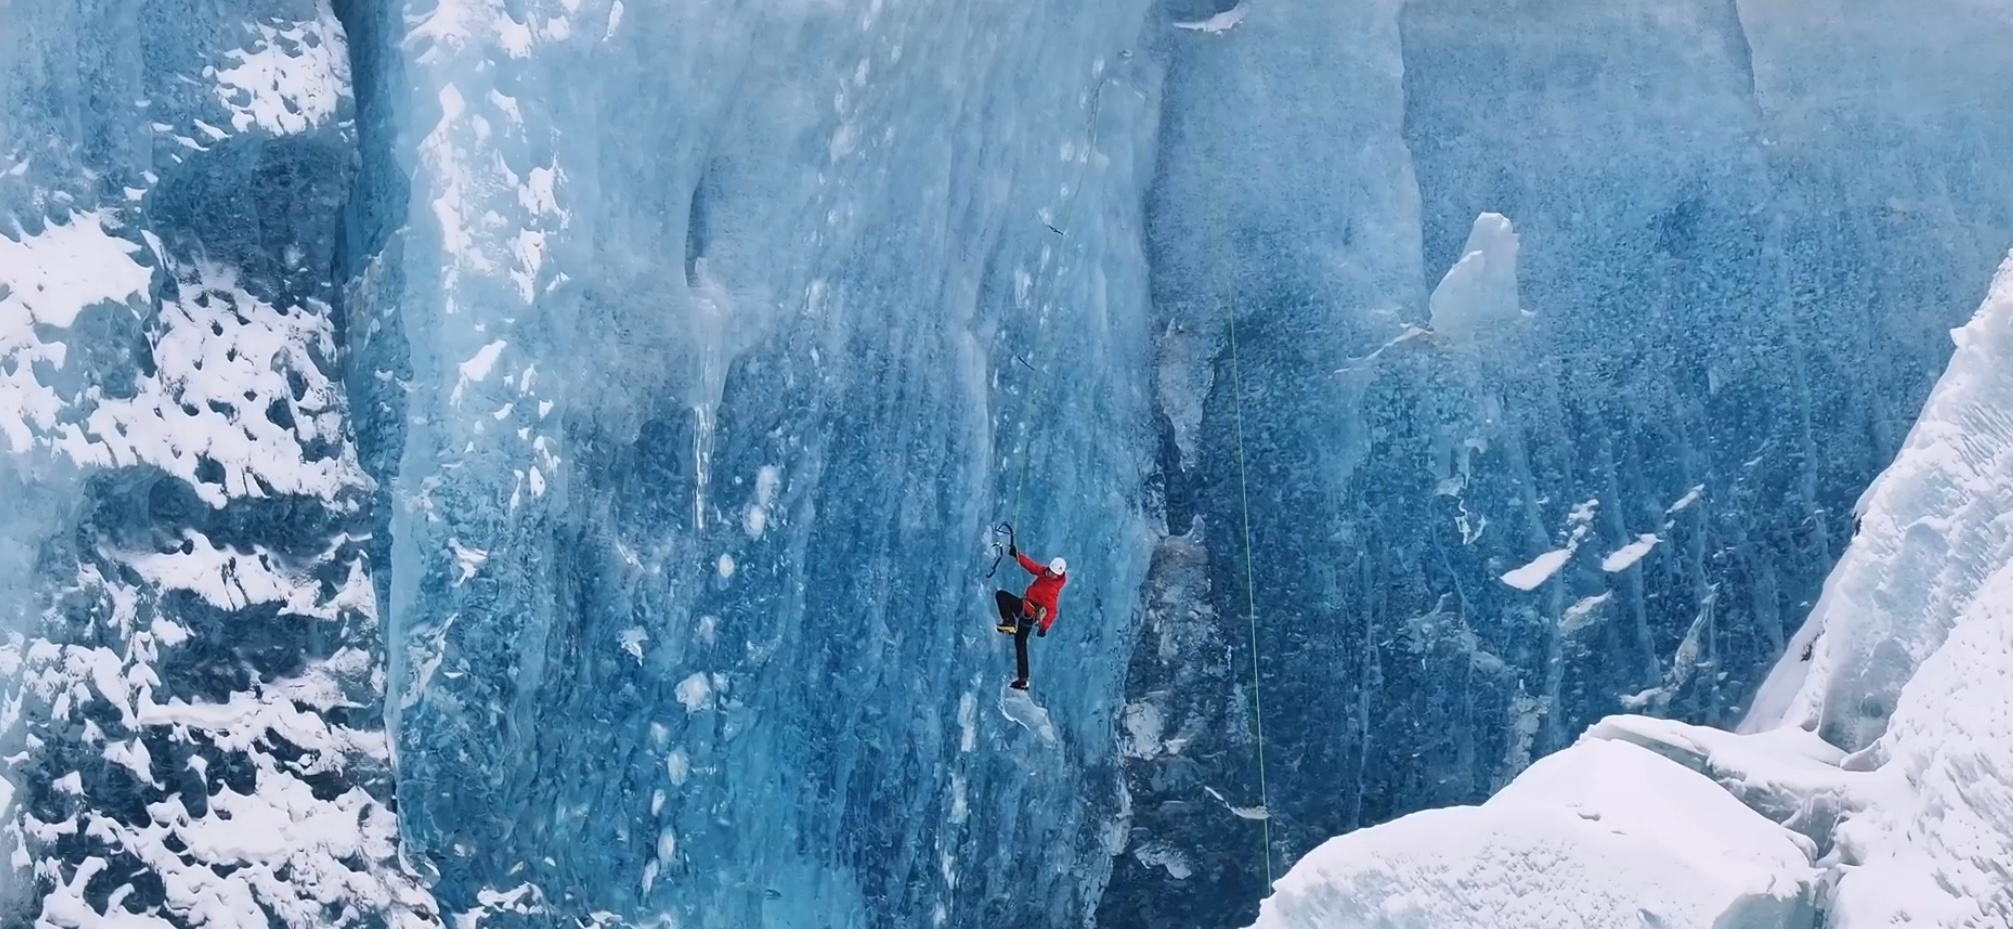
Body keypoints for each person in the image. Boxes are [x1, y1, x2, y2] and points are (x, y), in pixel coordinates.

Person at [993, 539, 1068, 691]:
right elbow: (1032, 567)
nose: (1049, 573)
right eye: (1049, 570)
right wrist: (1017, 555)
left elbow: (1052, 610)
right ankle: (1023, 680)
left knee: (1002, 596)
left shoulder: (1052, 591)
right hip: (1027, 612)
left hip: (1027, 611)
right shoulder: (1046, 574)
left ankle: (1009, 622)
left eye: (1052, 573)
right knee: (1020, 644)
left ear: (1057, 575)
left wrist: (1044, 627)